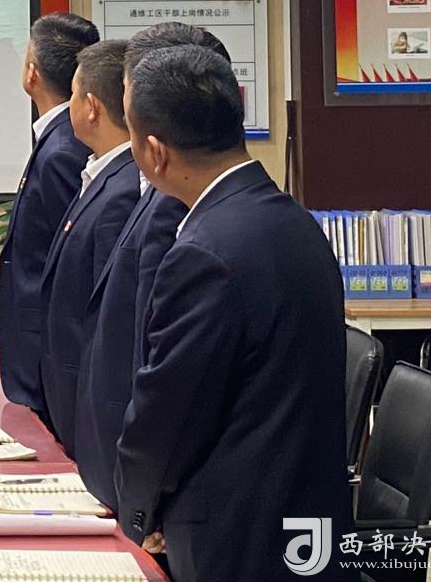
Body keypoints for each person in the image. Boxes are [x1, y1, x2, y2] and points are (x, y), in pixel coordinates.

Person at [115, 46, 348, 582]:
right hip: (303, 519)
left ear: (154, 151)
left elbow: (169, 409)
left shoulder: (205, 252)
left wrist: (138, 511)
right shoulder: (293, 220)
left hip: (236, 534)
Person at [75, 22, 229, 512]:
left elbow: (160, 361)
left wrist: (144, 497)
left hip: (167, 486)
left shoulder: (182, 210)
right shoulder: (159, 190)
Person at [37, 40, 140, 450]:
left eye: (74, 95)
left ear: (91, 107)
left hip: (90, 405)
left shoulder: (124, 188)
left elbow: (109, 313)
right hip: (68, 395)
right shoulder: (98, 174)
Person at [0, 11, 100, 408]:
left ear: (32, 73)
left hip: (47, 354)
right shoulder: (58, 139)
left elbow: (73, 261)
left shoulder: (62, 150)